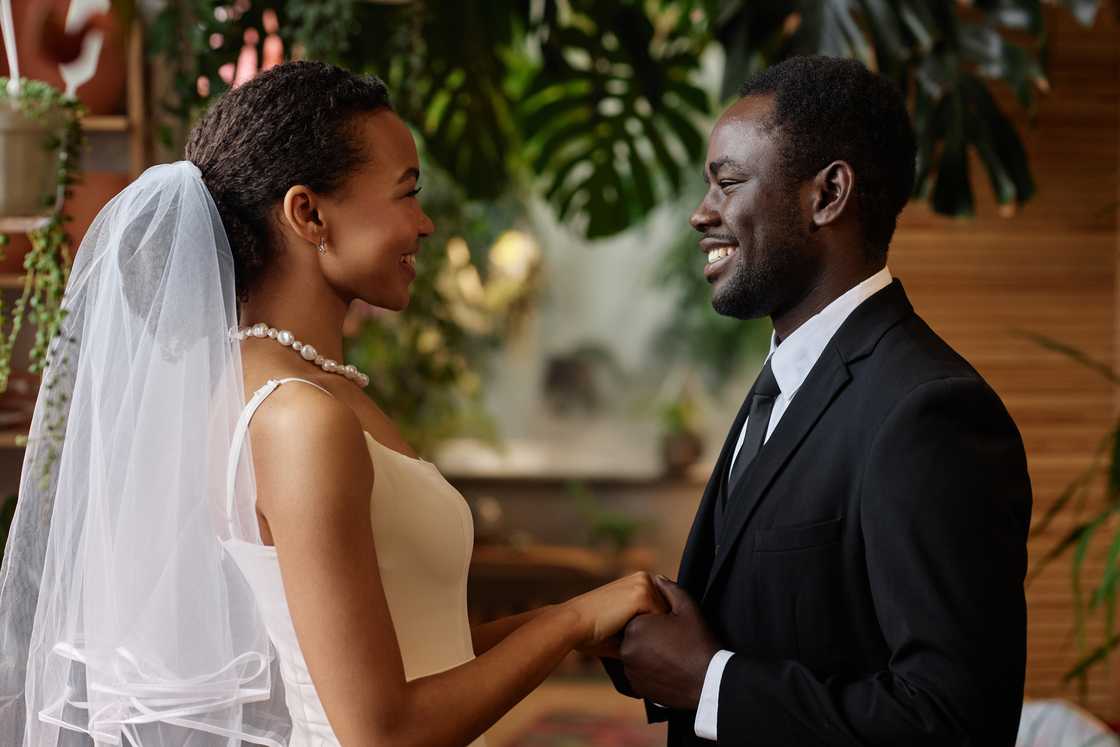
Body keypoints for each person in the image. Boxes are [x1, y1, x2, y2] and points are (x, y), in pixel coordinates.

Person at [0, 61, 666, 746]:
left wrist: (574, 622)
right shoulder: (298, 417)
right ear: (308, 213)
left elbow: (411, 647)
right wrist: (573, 622)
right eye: (407, 193)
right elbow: (383, 732)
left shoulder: (292, 390)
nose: (426, 223)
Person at [611, 55, 1033, 746]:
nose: (701, 213)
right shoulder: (788, 378)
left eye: (728, 182)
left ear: (828, 193)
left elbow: (955, 721)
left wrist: (710, 681)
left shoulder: (929, 413)